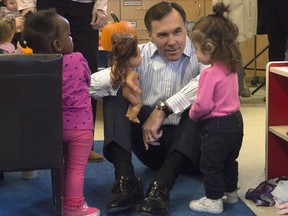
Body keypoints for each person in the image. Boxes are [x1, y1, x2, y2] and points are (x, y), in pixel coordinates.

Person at [89, 2, 205, 215]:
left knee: (201, 103)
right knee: (115, 91)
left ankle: (161, 186)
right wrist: (118, 75)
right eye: (162, 35)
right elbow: (86, 86)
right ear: (149, 35)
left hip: (192, 151)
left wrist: (164, 108)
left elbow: (211, 83)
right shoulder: (138, 55)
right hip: (150, 147)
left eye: (178, 32)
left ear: (186, 28)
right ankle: (125, 180)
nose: (172, 42)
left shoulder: (202, 54)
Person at [22, 9, 100, 216]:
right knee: (76, 169)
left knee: (63, 165)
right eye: (68, 35)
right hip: (81, 127)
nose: (71, 38)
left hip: (55, 126)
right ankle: (74, 206)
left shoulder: (37, 66)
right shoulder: (77, 58)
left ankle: (64, 198)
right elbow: (88, 80)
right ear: (57, 44)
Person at [16, 0, 108, 162]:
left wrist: (100, 6)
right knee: (45, 73)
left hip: (84, 8)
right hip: (48, 5)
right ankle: (45, 144)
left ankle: (85, 146)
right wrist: (27, 7)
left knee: (86, 72)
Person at [188, 2, 243, 214]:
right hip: (236, 121)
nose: (195, 53)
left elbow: (203, 104)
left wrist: (193, 114)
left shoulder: (209, 73)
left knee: (211, 163)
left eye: (196, 49)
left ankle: (213, 200)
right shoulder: (232, 67)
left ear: (209, 47)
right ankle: (230, 193)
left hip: (216, 126)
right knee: (230, 160)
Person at [110, 33, 143, 124]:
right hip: (129, 91)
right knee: (138, 103)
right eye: (139, 56)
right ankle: (133, 116)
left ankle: (129, 113)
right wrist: (136, 89)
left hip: (127, 92)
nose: (141, 58)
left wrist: (137, 76)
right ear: (130, 60)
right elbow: (128, 81)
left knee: (133, 103)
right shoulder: (131, 72)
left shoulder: (127, 70)